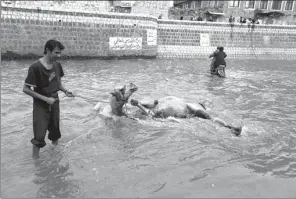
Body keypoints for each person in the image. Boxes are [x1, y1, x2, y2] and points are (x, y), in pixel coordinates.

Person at [23, 39, 74, 159]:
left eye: (60, 53)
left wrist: (65, 90)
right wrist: (45, 99)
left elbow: (58, 83)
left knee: (55, 132)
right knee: (39, 136)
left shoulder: (57, 65)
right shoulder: (35, 67)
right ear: (47, 50)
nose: (59, 55)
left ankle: (55, 157)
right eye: (56, 53)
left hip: (55, 102)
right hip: (41, 105)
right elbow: (25, 89)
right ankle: (36, 164)